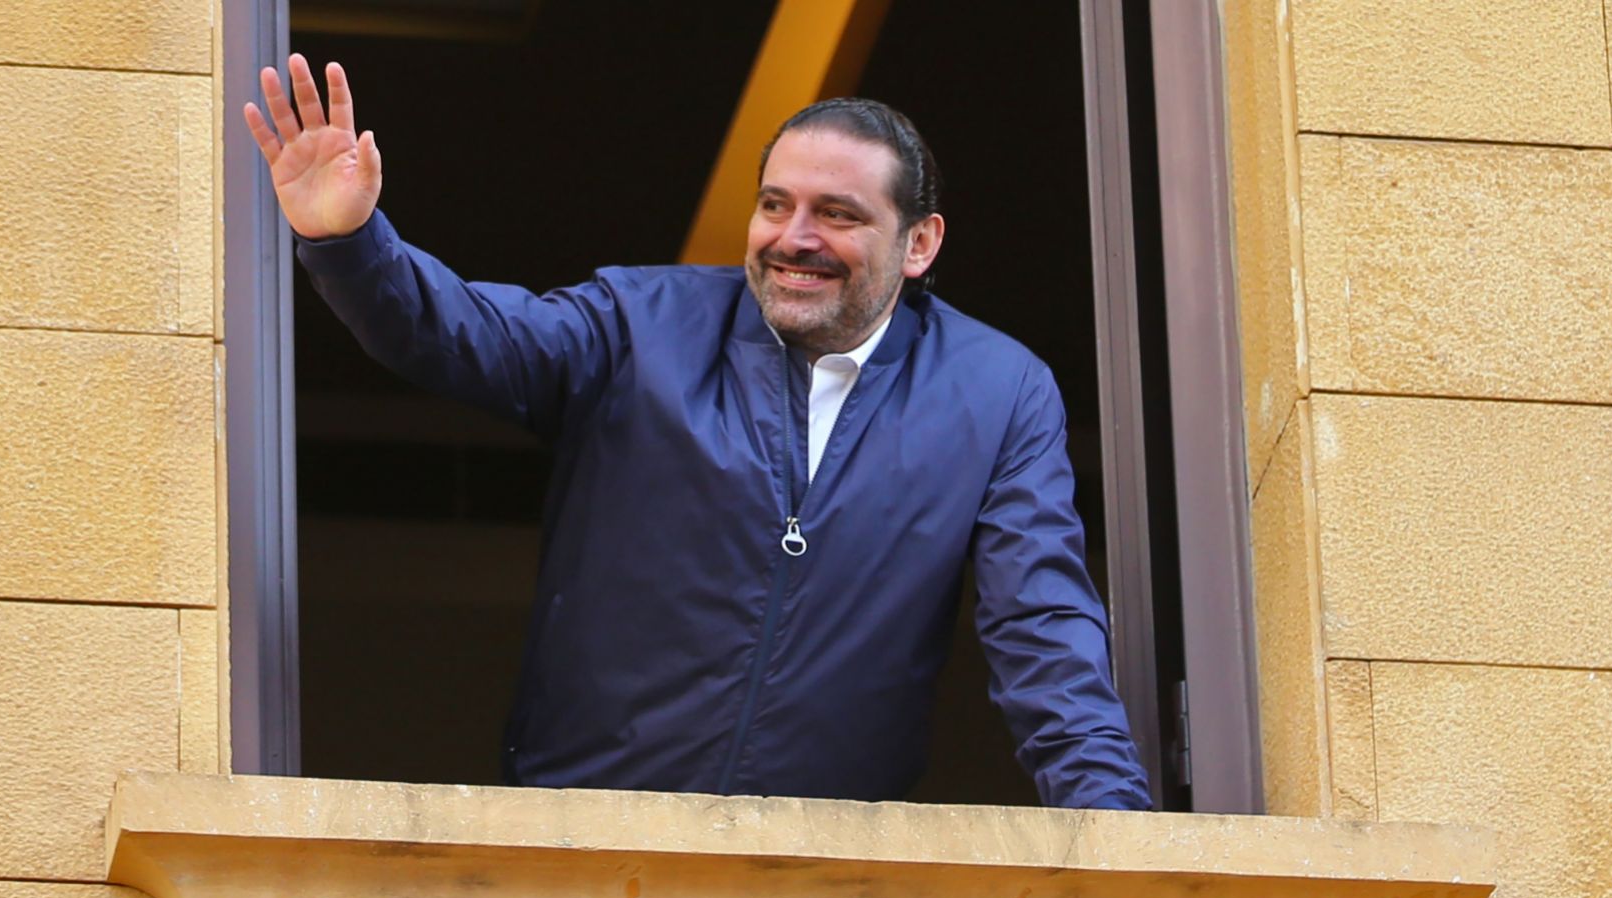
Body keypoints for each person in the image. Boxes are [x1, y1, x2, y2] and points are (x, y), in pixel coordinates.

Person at [244, 54, 1151, 810]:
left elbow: (1044, 627)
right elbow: (469, 336)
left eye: (838, 215)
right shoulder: (641, 321)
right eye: (775, 204)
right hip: (582, 848)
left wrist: (1117, 833)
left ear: (919, 246)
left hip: (824, 872)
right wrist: (352, 244)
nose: (794, 236)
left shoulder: (997, 392)